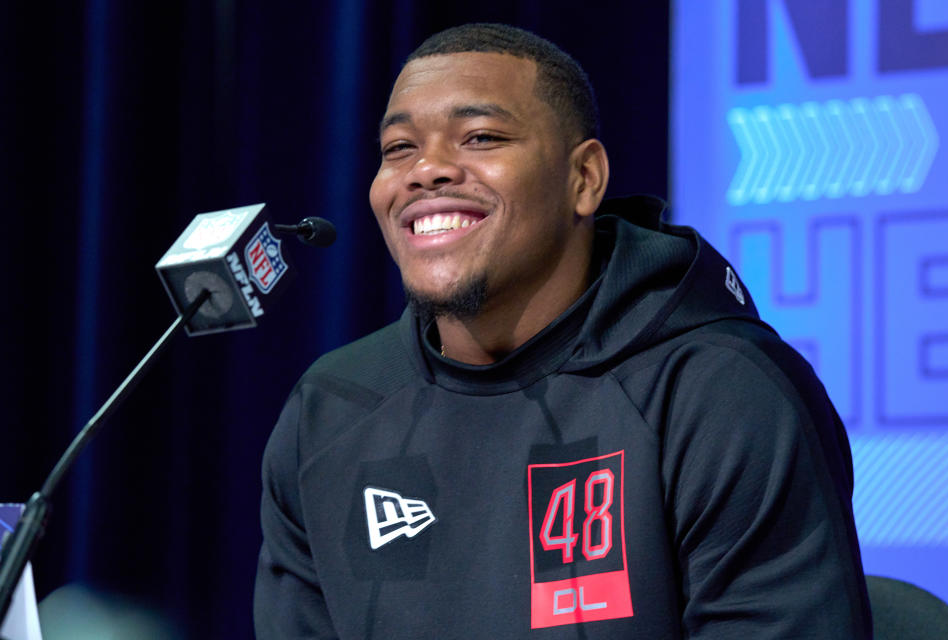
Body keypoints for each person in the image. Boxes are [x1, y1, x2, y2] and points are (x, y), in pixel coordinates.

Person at [254, 23, 872, 639]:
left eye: (481, 136)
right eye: (397, 150)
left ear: (584, 180)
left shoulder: (722, 391)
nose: (427, 170)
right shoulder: (330, 409)